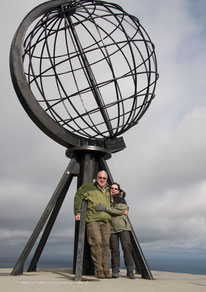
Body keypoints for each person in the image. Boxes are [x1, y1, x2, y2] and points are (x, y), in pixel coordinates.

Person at [73, 170, 112, 279]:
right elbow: (78, 196)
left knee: (106, 245)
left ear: (106, 179)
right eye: (100, 177)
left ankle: (106, 268)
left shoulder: (109, 189)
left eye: (104, 178)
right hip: (93, 219)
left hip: (106, 220)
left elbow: (117, 197)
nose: (102, 180)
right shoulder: (88, 186)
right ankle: (99, 269)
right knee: (97, 242)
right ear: (97, 177)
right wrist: (77, 212)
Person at [95, 183, 135, 279]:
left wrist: (105, 209)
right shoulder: (108, 199)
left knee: (126, 248)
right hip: (112, 228)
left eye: (115, 188)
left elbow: (119, 210)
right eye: (112, 188)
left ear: (118, 190)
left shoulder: (121, 199)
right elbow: (117, 210)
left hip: (123, 227)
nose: (113, 189)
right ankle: (115, 271)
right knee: (114, 250)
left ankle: (130, 271)